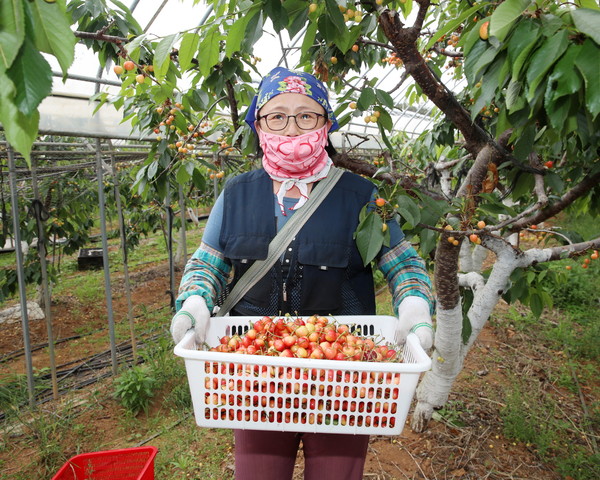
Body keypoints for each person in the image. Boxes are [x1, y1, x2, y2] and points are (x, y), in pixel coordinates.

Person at [170, 67, 434, 480]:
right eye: (276, 116)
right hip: (258, 374)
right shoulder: (236, 193)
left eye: (306, 116)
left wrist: (415, 302)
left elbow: (402, 263)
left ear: (326, 123)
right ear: (258, 126)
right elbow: (209, 262)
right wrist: (195, 301)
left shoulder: (362, 196)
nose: (291, 128)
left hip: (344, 375)